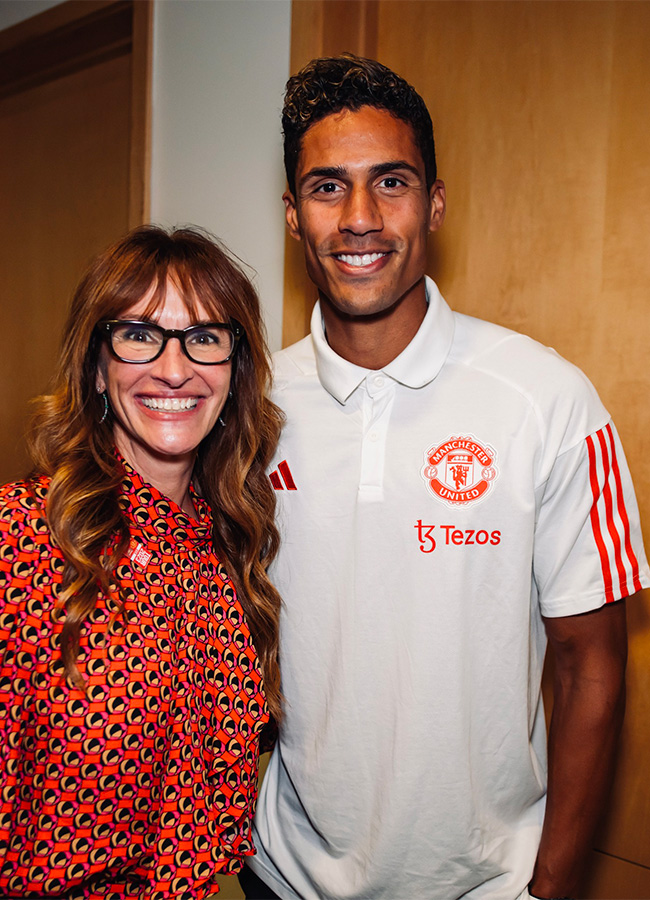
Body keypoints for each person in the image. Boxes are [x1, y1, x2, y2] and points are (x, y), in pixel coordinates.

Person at [241, 55, 650, 900]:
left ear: (434, 201)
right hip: (280, 875)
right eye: (327, 187)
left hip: (488, 886)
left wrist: (556, 886)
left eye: (390, 182)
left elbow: (591, 665)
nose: (360, 218)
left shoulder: (548, 399)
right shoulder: (249, 407)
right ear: (291, 214)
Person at [0, 226, 283, 900]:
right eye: (139, 334)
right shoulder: (20, 541)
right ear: (97, 365)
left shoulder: (231, 549)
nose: (175, 368)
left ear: (234, 373)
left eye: (206, 337)